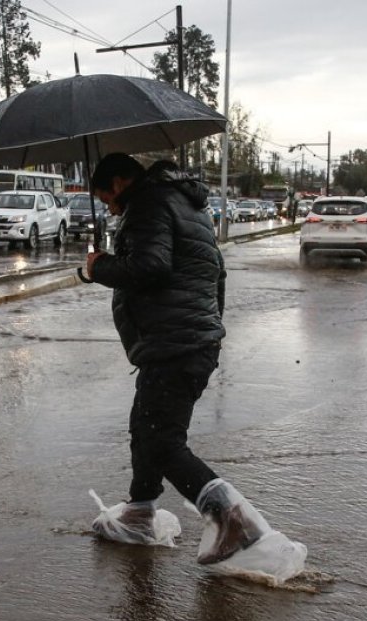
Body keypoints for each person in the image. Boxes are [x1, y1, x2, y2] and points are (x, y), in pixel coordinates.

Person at [82, 152, 265, 566]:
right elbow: (216, 272)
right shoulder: (184, 203)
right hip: (186, 341)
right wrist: (208, 329)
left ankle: (233, 520)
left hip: (174, 344)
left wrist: (101, 267)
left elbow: (151, 267)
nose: (111, 209)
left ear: (119, 183)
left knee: (162, 442)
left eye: (107, 200)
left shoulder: (148, 204)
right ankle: (139, 513)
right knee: (144, 428)